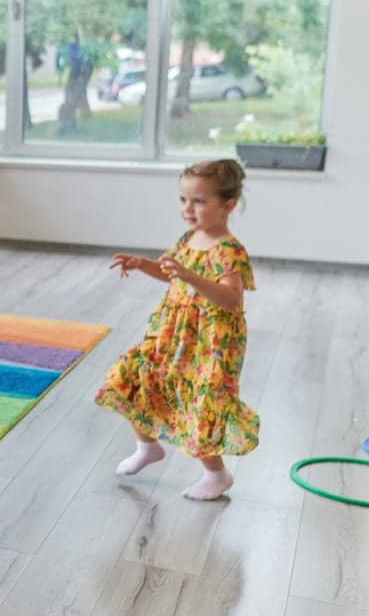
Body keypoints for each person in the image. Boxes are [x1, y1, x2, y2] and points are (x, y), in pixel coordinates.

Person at [96, 159, 260, 502]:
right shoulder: (190, 237)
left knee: (199, 403)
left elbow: (230, 299)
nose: (188, 208)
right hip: (172, 335)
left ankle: (216, 475)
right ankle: (147, 446)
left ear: (227, 206)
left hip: (210, 343)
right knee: (134, 376)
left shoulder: (229, 251)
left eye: (199, 201)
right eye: (184, 199)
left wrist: (190, 277)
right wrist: (144, 265)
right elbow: (171, 271)